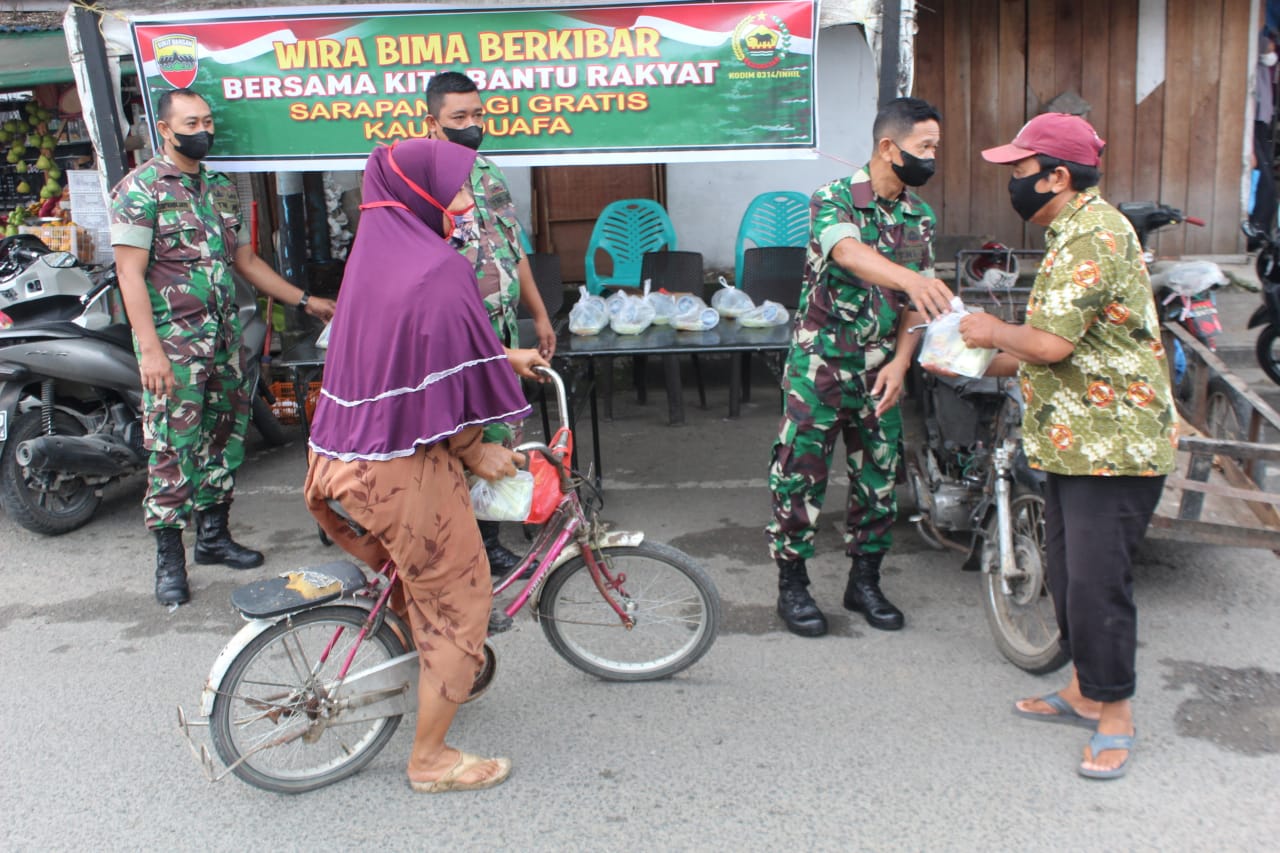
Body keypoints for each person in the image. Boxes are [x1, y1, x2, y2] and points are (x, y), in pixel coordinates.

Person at [302, 138, 547, 792]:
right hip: (400, 470)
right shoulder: (438, 268)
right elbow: (447, 378)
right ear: (420, 193)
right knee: (461, 599)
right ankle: (430, 759)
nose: (467, 203)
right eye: (456, 189)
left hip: (341, 454)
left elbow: (413, 354)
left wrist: (502, 358)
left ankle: (434, 667)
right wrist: (473, 448)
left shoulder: (377, 254)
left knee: (419, 585)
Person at [946, 112, 1176, 780]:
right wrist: (965, 359)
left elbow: (1047, 344)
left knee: (1099, 585)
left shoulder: (1092, 238)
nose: (1012, 183)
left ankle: (1116, 715)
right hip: (1077, 441)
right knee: (1072, 577)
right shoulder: (1074, 232)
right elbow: (1044, 352)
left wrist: (988, 328)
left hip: (1116, 447)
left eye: (1020, 172)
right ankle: (1083, 688)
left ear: (1057, 176)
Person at [111, 87, 335, 606]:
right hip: (173, 347)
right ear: (165, 130)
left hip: (222, 342)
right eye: (191, 123)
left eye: (207, 121)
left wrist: (306, 300)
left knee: (223, 437)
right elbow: (129, 271)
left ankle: (213, 537)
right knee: (171, 447)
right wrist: (150, 351)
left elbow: (246, 261)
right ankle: (170, 559)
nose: (203, 131)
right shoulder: (141, 189)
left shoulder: (220, 187)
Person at [766, 97, 953, 638]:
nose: (932, 158)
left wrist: (901, 362)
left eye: (936, 148)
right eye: (925, 147)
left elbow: (918, 306)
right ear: (888, 148)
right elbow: (847, 253)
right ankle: (793, 584)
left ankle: (864, 581)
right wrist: (911, 279)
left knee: (877, 480)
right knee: (799, 477)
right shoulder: (834, 199)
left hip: (879, 370)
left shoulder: (919, 216)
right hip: (819, 365)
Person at [423, 70, 556, 579]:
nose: (472, 125)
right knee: (454, 439)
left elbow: (512, 247)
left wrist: (538, 314)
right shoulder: (417, 182)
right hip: (452, 341)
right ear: (432, 122)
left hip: (500, 332)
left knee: (499, 431)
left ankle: (489, 540)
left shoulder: (488, 172)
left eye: (478, 114)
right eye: (460, 117)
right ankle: (452, 550)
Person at [1249, 28, 1278, 246]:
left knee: (1267, 185)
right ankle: (1255, 236)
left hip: (1261, 122)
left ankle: (1260, 235)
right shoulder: (1258, 44)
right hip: (1254, 123)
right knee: (1265, 184)